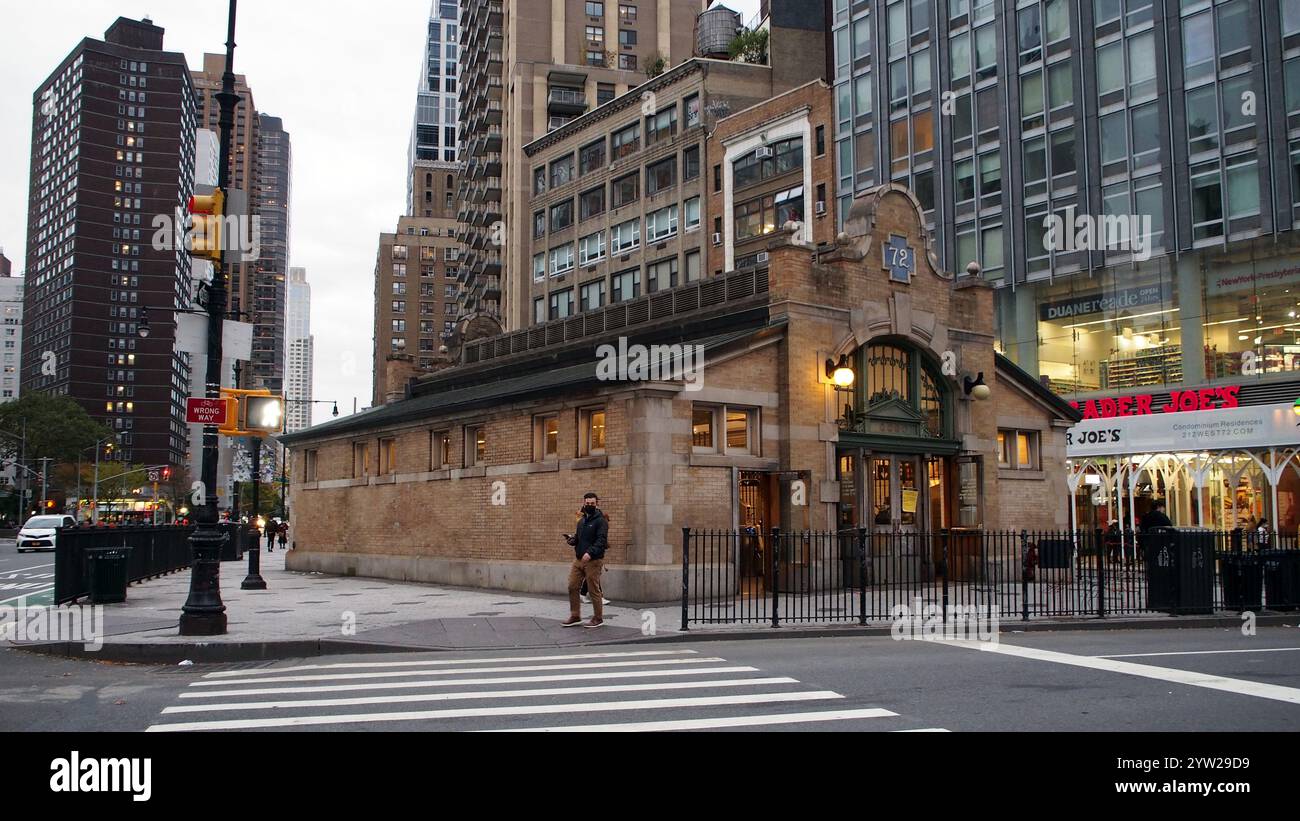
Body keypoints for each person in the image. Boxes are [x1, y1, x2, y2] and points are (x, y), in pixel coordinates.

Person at [562, 492, 608, 629]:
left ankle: (598, 618)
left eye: (592, 504)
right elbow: (578, 537)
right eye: (587, 503)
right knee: (572, 586)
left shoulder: (601, 521)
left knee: (593, 590)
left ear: (597, 504)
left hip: (593, 561)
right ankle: (575, 615)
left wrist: (590, 552)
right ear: (584, 502)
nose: (589, 506)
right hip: (578, 559)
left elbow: (601, 541)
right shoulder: (582, 521)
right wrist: (572, 540)